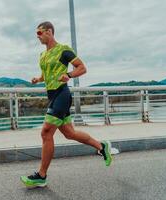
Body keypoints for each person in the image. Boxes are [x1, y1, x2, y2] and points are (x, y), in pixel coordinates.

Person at [20, 21, 113, 188]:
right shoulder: (43, 55)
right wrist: (38, 79)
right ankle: (102, 146)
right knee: (70, 133)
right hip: (52, 95)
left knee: (46, 132)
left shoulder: (63, 49)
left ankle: (41, 175)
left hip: (62, 94)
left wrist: (69, 74)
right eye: (37, 34)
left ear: (49, 31)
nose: (38, 37)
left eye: (40, 33)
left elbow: (82, 68)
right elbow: (45, 74)